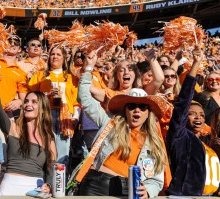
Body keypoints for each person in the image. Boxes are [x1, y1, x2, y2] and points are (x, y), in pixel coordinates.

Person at [77, 51, 168, 197]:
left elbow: (156, 180)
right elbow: (84, 98)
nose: (136, 110)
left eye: (142, 107)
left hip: (128, 189)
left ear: (148, 112)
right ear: (125, 109)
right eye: (131, 106)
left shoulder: (154, 141)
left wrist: (149, 191)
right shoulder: (110, 121)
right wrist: (88, 68)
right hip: (95, 184)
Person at [0, 72, 57, 195]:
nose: (28, 105)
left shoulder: (48, 137)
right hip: (9, 187)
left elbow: (51, 168)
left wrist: (49, 186)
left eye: (34, 102)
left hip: (35, 189)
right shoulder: (13, 128)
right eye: (26, 101)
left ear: (42, 109)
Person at [166, 46, 220, 196]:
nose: (199, 117)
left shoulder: (207, 141)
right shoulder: (180, 137)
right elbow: (183, 103)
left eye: (202, 115)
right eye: (192, 114)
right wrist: (196, 64)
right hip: (185, 196)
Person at [29, 45, 80, 167]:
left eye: (58, 54)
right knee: (45, 150)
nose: (55, 57)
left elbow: (76, 101)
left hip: (65, 118)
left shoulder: (71, 78)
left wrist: (76, 118)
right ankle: (45, 182)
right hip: (45, 115)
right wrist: (46, 95)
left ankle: (60, 184)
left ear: (64, 58)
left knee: (63, 153)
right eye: (52, 54)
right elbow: (31, 96)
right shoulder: (39, 75)